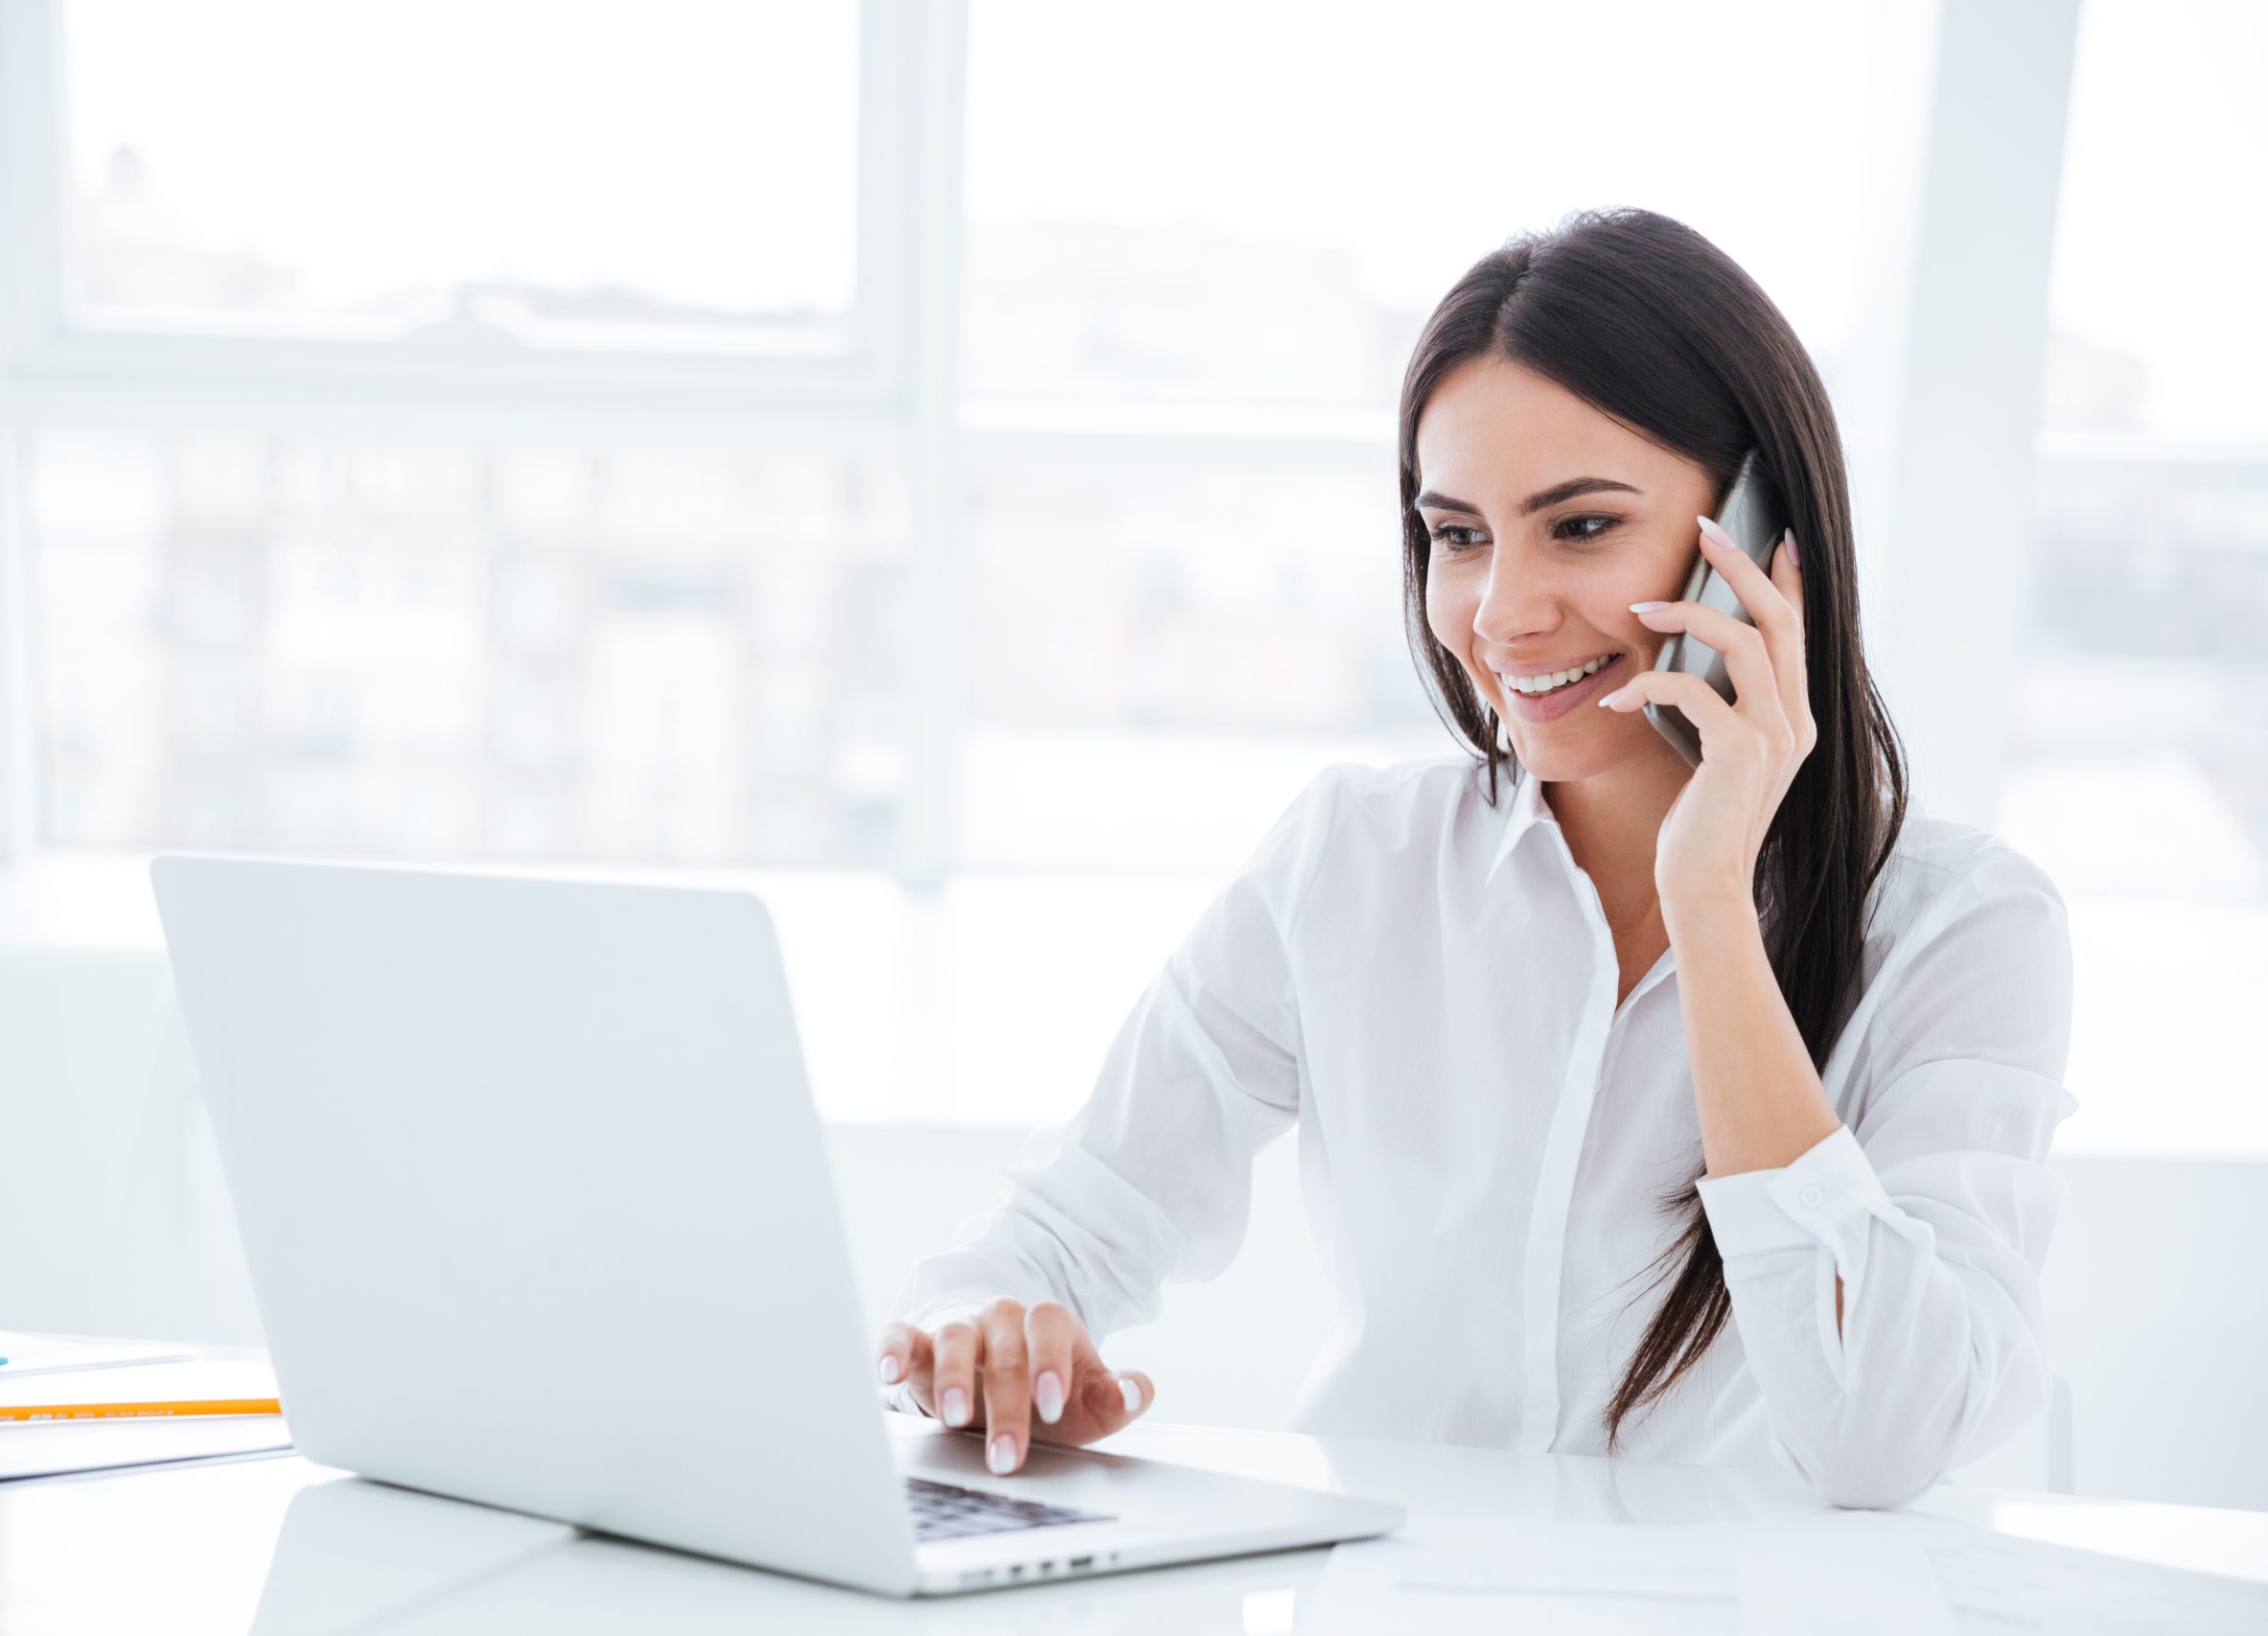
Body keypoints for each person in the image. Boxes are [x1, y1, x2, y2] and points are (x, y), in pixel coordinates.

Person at [870, 207, 2074, 1511]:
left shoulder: (1964, 932)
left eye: (1580, 527)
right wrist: (985, 1327)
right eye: (1457, 535)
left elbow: (1880, 1436)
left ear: (1762, 529)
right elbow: (1069, 1222)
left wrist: (1710, 904)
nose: (1500, 613)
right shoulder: (1355, 862)